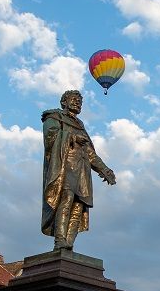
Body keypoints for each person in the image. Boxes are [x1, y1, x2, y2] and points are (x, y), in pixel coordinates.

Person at [41, 89, 116, 251]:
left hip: (82, 171)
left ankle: (68, 243)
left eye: (80, 101)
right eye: (74, 99)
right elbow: (50, 137)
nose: (77, 103)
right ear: (64, 102)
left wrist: (105, 170)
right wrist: (72, 137)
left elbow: (90, 153)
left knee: (79, 205)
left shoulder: (80, 125)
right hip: (64, 167)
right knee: (66, 200)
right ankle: (59, 240)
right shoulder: (54, 117)